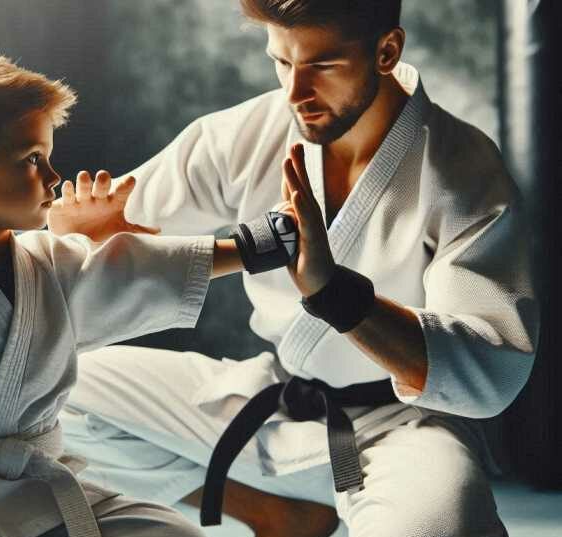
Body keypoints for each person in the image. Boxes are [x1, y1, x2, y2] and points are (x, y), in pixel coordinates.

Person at [51, 1, 539, 536]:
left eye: (322, 66)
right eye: (282, 63)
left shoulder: (462, 170)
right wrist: (88, 237)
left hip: (402, 431)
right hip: (278, 401)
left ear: (386, 51)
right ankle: (277, 516)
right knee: (43, 387)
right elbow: (116, 232)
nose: (295, 93)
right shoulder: (248, 132)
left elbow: (490, 368)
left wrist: (337, 296)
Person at [0, 53, 300, 537]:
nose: (53, 178)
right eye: (32, 160)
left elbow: (139, 270)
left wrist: (253, 247)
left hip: (39, 484)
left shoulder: (53, 264)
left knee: (172, 532)